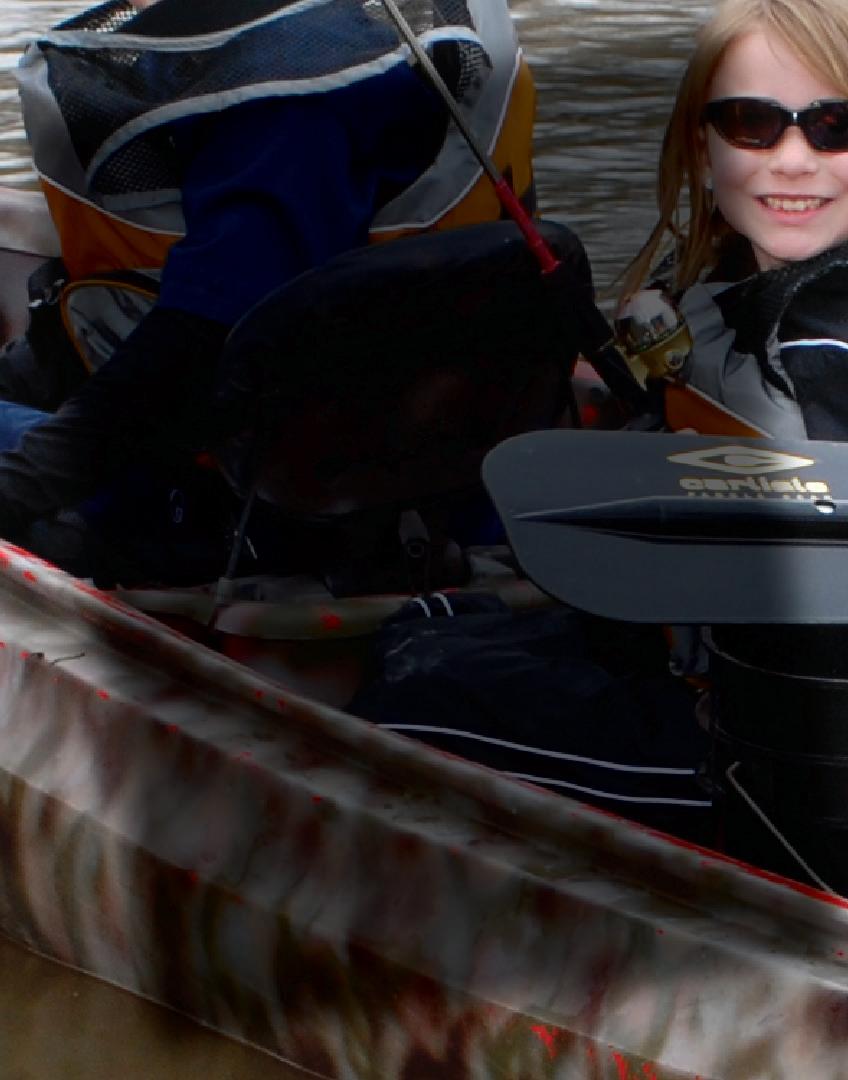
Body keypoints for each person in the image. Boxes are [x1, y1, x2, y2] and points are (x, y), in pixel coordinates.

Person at [0, 0, 538, 581]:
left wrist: (25, 482)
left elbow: (198, 341)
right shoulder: (383, 45)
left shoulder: (287, 103)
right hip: (432, 452)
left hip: (269, 504)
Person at [619, 0, 848, 442]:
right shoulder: (705, 279)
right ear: (703, 153)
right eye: (752, 122)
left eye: (836, 125)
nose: (793, 162)